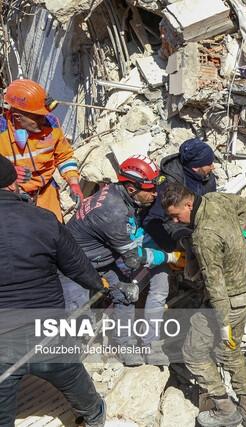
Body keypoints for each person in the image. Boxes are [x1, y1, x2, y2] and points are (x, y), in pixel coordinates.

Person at [0, 155, 136, 426]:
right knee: (74, 377)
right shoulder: (44, 219)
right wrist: (104, 286)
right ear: (14, 183)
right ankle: (95, 416)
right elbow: (79, 268)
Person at [61, 155, 182, 366]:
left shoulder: (120, 195)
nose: (155, 194)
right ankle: (71, 363)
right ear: (131, 187)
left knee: (126, 294)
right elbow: (134, 260)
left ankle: (124, 346)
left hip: (100, 260)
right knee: (79, 317)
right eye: (150, 189)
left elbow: (130, 235)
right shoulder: (113, 211)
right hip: (73, 266)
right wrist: (168, 256)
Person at [161, 183, 246, 427]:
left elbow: (216, 288)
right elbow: (245, 205)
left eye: (176, 215)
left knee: (194, 354)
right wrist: (233, 236)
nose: (175, 221)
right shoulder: (216, 199)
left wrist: (222, 324)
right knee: (231, 351)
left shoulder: (204, 237)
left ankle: (225, 408)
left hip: (228, 303)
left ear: (188, 204)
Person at [0, 79, 83, 222]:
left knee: (55, 234)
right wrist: (7, 171)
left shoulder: (52, 124)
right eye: (37, 117)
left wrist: (73, 182)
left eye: (44, 115)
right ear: (17, 117)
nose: (43, 121)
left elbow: (65, 157)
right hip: (13, 197)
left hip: (46, 194)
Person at [143, 138, 217, 253]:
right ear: (195, 167)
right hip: (175, 231)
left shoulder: (208, 178)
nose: (212, 167)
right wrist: (173, 250)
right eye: (209, 163)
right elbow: (152, 222)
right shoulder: (167, 184)